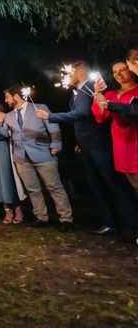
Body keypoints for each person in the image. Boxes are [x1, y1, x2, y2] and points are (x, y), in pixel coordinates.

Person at [36, 61, 138, 236]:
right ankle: (109, 223)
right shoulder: (79, 91)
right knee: (95, 184)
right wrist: (79, 142)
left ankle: (130, 225)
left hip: (99, 144)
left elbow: (84, 113)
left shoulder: (91, 87)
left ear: (81, 71)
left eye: (71, 71)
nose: (68, 75)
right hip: (86, 145)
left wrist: (51, 116)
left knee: (114, 184)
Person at [0, 83, 73, 231]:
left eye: (7, 97)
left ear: (16, 96)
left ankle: (66, 219)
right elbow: (8, 134)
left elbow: (53, 128)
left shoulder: (40, 108)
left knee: (54, 187)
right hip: (21, 158)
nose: (6, 100)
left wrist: (55, 145)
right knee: (32, 189)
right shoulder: (9, 116)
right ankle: (41, 217)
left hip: (43, 153)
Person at [92, 61, 138, 191]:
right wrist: (98, 95)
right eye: (114, 72)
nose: (118, 74)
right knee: (134, 186)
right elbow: (100, 117)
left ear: (131, 70)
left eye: (122, 69)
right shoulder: (110, 94)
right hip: (121, 145)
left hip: (135, 142)